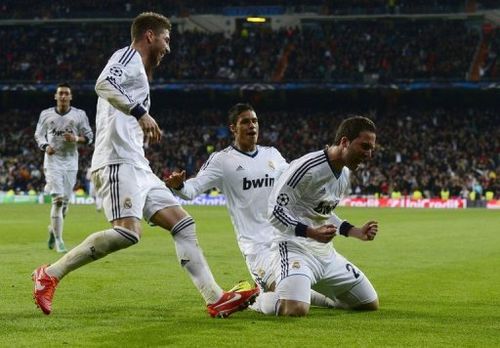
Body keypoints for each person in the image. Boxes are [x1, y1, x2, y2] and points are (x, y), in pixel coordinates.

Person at [32, 12, 258, 318]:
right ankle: (50, 274)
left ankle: (215, 297)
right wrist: (140, 112)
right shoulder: (127, 57)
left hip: (137, 165)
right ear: (150, 35)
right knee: (128, 232)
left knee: (183, 224)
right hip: (115, 161)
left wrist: (139, 122)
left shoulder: (139, 72)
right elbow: (103, 82)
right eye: (166, 39)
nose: (168, 47)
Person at [166, 103, 335, 311]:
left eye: (254, 121)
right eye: (245, 121)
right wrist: (180, 185)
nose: (251, 126)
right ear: (233, 128)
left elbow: (294, 178)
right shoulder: (222, 161)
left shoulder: (272, 154)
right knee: (285, 301)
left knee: (300, 292)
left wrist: (322, 165)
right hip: (257, 248)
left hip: (287, 239)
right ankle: (252, 298)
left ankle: (327, 301)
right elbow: (192, 189)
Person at [266, 115, 379, 316]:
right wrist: (310, 232)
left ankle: (303, 290)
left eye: (372, 149)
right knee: (294, 310)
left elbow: (323, 212)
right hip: (294, 247)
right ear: (344, 142)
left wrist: (355, 232)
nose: (369, 154)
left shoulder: (344, 174)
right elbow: (275, 211)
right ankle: (255, 299)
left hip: (325, 254)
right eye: (364, 146)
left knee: (368, 302)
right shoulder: (307, 168)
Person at [34, 82, 93, 253]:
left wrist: (76, 139)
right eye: (60, 93)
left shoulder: (79, 115)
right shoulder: (46, 114)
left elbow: (89, 136)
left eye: (66, 93)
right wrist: (45, 146)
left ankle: (53, 231)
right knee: (57, 200)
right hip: (52, 161)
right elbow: (38, 134)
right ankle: (60, 240)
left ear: (71, 96)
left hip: (70, 161)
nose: (63, 96)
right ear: (55, 96)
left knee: (65, 203)